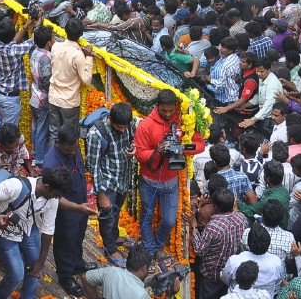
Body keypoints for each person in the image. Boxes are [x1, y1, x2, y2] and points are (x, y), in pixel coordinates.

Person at [134, 89, 204, 260]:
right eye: (164, 111)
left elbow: (200, 144)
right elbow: (140, 154)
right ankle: (149, 248)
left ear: (176, 107)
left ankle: (157, 246)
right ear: (157, 106)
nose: (168, 114)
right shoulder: (146, 125)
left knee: (170, 220)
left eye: (171, 111)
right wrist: (159, 150)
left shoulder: (184, 120)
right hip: (149, 181)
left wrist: (182, 149)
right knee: (148, 215)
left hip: (171, 182)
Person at [0, 166, 70, 299]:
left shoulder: (53, 200)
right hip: (3, 231)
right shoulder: (16, 186)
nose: (57, 198)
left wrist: (41, 261)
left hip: (27, 228)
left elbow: (48, 230)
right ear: (47, 187)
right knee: (17, 275)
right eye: (56, 194)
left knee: (35, 268)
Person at [42, 122, 99, 296]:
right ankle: (65, 275)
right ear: (58, 142)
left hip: (80, 203)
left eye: (75, 149)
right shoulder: (51, 164)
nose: (73, 153)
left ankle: (77, 263)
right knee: (65, 240)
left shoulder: (73, 146)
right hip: (65, 209)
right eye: (69, 151)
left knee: (78, 236)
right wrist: (77, 208)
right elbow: (55, 197)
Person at [86, 102, 136, 267]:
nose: (122, 130)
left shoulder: (130, 125)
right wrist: (101, 195)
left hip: (123, 180)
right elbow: (93, 166)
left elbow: (134, 138)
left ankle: (114, 238)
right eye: (118, 127)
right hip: (107, 184)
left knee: (116, 213)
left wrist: (134, 148)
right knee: (107, 217)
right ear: (110, 119)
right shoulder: (96, 134)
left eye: (124, 127)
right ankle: (110, 249)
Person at [48, 19, 94, 145]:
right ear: (80, 35)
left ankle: (53, 162)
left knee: (54, 133)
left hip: (53, 98)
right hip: (69, 102)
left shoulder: (55, 46)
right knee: (69, 137)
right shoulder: (78, 54)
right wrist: (89, 57)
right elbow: (86, 80)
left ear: (65, 31)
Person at [0, 15, 36, 127]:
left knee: (0, 127)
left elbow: (14, 40)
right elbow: (32, 41)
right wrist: (37, 23)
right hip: (9, 99)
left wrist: (26, 25)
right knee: (9, 134)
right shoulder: (13, 50)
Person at [78, 243, 152, 299]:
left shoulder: (111, 271)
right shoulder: (143, 295)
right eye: (148, 268)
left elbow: (84, 277)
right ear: (144, 268)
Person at [28, 25, 53, 168]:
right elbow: (45, 80)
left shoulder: (34, 52)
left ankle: (35, 154)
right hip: (42, 99)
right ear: (49, 42)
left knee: (36, 127)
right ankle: (40, 160)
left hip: (34, 94)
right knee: (42, 131)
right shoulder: (46, 58)